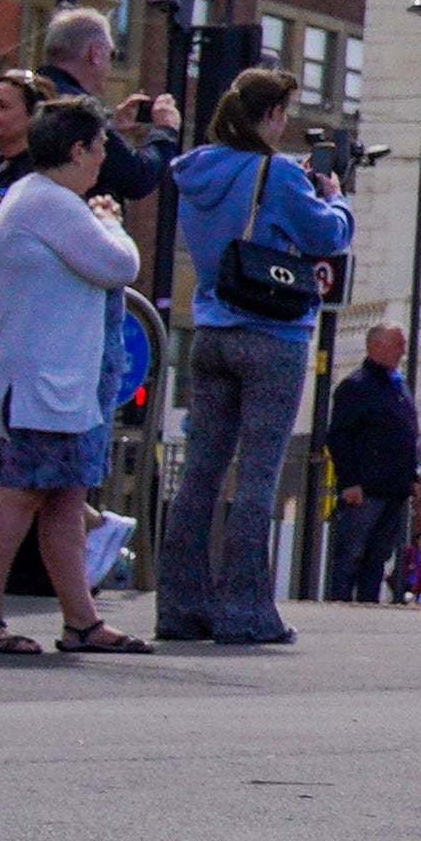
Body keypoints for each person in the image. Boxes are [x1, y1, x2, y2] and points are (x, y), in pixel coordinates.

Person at [157, 70, 349, 650]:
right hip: (273, 332)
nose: (286, 123)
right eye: (285, 112)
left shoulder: (194, 171)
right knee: (259, 474)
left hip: (211, 329)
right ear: (269, 115)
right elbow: (326, 238)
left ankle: (181, 606)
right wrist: (334, 198)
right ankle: (245, 611)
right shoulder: (278, 172)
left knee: (200, 473)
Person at [0, 101, 145, 658]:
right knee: (22, 492)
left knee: (64, 497)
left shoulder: (40, 201)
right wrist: (111, 222)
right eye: (101, 148)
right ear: (76, 150)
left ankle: (81, 620)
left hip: (60, 381)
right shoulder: (49, 201)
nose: (103, 160)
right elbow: (120, 265)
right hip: (45, 381)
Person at [322, 323, 421, 605]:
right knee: (351, 554)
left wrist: (412, 478)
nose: (404, 350)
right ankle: (339, 604)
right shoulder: (356, 386)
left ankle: (368, 606)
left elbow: (407, 434)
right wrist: (349, 481)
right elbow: (339, 436)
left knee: (379, 556)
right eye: (398, 344)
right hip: (365, 489)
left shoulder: (398, 386)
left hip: (394, 488)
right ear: (377, 345)